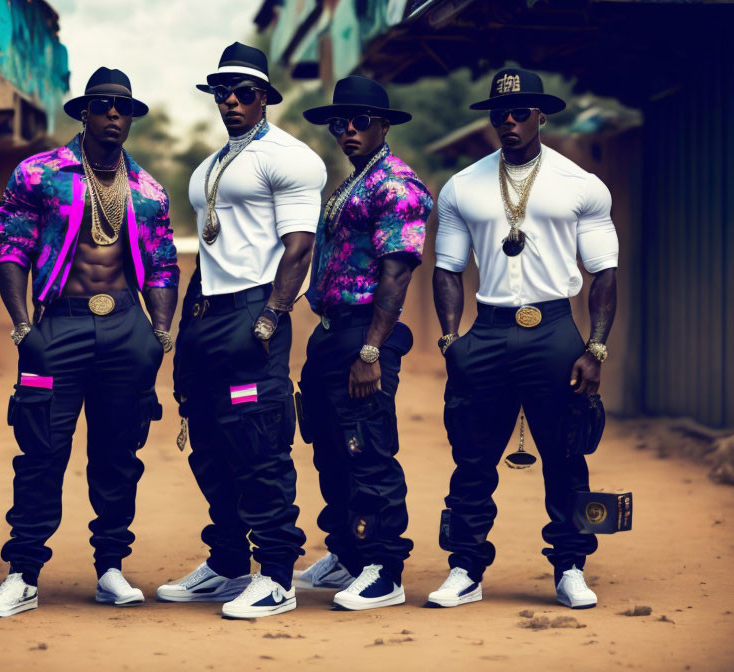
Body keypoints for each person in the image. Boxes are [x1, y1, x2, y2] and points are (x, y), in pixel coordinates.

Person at [0, 67, 178, 618]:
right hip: (58, 325)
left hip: (125, 326)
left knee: (118, 454)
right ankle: (22, 574)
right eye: (103, 105)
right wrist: (23, 327)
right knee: (41, 450)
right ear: (84, 113)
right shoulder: (40, 173)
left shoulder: (148, 190)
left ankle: (111, 567)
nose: (114, 114)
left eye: (123, 107)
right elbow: (11, 248)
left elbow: (163, 264)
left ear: (132, 117)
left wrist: (159, 335)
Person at [428, 68, 618, 610]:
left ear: (541, 115)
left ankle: (571, 567)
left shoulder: (581, 184)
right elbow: (446, 268)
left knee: (567, 454)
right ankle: (465, 569)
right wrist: (449, 340)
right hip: (486, 331)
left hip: (555, 328)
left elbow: (605, 271)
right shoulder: (463, 185)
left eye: (519, 112)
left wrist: (596, 347)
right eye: (499, 113)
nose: (508, 122)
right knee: (471, 456)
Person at [155, 43, 326, 619]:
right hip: (208, 317)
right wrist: (187, 329)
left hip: (255, 313)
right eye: (222, 92)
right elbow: (209, 256)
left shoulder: (290, 158)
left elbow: (299, 248)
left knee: (258, 445)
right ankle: (229, 563)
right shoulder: (209, 166)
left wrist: (272, 317)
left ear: (265, 99)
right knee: (207, 443)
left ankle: (277, 574)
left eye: (244, 92)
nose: (230, 100)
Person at [294, 76, 432, 611]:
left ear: (382, 126)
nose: (347, 131)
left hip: (364, 335)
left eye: (359, 122)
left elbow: (396, 276)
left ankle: (383, 567)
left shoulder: (395, 185)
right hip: (332, 332)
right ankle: (348, 553)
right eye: (338, 123)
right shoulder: (352, 182)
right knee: (329, 447)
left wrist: (371, 351)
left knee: (367, 450)